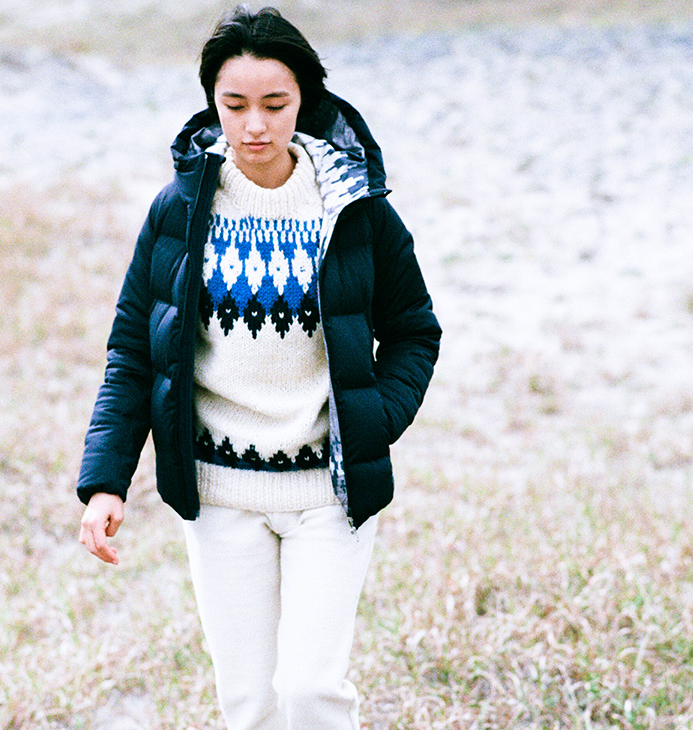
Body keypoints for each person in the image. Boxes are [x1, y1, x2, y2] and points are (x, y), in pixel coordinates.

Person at [76, 6, 440, 729]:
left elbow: (413, 332)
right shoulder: (178, 211)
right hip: (220, 496)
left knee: (309, 690)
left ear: (305, 101)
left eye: (275, 104)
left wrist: (375, 418)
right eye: (235, 105)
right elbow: (133, 353)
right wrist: (106, 481)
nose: (254, 126)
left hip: (328, 491)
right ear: (212, 104)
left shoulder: (355, 209)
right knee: (249, 705)